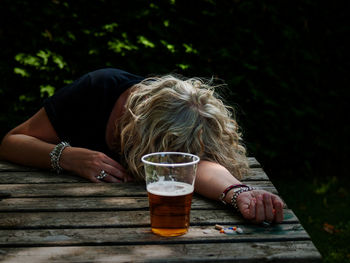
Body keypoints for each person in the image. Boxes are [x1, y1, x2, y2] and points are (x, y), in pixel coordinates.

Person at [0, 68, 284, 225]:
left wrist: (239, 193)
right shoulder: (96, 89)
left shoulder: (179, 126)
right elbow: (12, 142)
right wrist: (67, 156)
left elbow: (198, 166)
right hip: (58, 218)